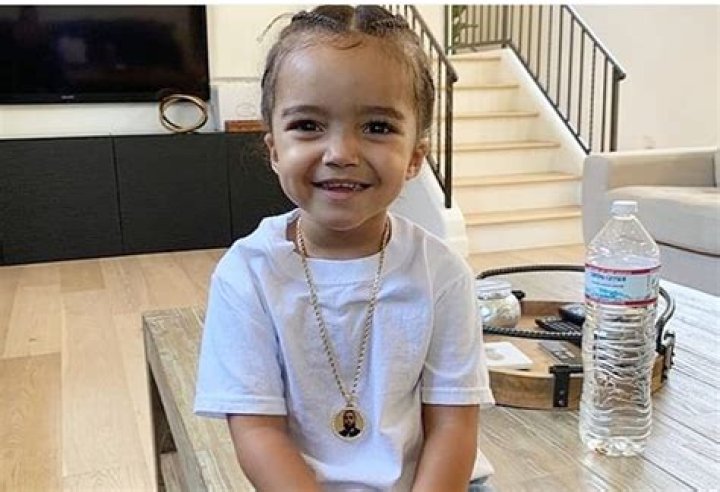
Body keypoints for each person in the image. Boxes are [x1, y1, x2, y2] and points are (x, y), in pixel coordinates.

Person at [194, 5, 494, 491]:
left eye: (377, 127)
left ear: (415, 157)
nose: (341, 154)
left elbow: (453, 424)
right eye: (308, 125)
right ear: (274, 150)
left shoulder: (442, 273)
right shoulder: (246, 274)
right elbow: (258, 432)